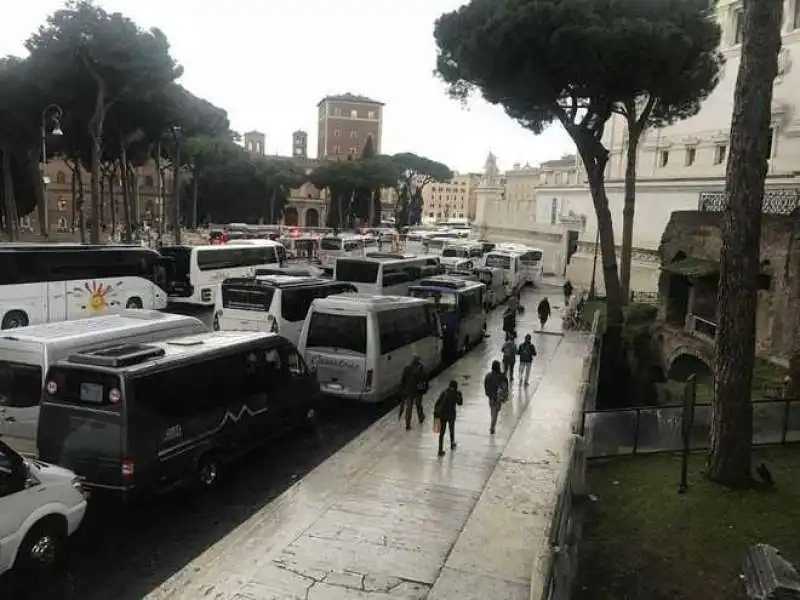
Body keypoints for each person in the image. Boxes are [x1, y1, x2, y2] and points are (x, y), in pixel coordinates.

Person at [434, 380, 463, 457]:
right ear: (455, 387)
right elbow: (460, 403)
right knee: (451, 430)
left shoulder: (444, 392)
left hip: (442, 415)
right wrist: (460, 395)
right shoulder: (455, 394)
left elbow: (437, 402)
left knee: (441, 433)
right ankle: (452, 443)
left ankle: (440, 450)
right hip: (451, 415)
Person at [399, 355, 427, 430]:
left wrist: (402, 389)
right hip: (418, 390)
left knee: (409, 408)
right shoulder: (420, 369)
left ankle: (408, 424)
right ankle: (421, 418)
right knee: (418, 405)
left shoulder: (407, 368)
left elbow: (403, 380)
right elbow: (425, 378)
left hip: (409, 391)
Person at [484, 360, 508, 435]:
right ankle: (492, 426)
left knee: (492, 410)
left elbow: (485, 385)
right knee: (496, 412)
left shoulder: (488, 375)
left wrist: (487, 394)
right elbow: (505, 385)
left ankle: (492, 424)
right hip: (498, 397)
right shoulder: (501, 376)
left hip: (491, 397)